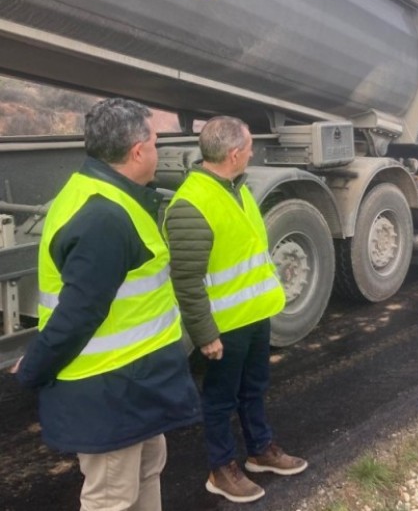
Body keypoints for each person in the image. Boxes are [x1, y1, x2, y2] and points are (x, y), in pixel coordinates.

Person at [12, 98, 201, 510]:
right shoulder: (105, 218)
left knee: (147, 472)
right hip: (110, 391)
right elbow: (79, 313)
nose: (158, 149)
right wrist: (34, 368)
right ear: (137, 151)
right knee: (111, 500)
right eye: (155, 142)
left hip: (134, 382)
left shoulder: (107, 193)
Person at [163, 116, 307, 504]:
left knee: (254, 388)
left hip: (253, 316)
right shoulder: (191, 205)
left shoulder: (234, 188)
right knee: (220, 398)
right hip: (225, 325)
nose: (252, 152)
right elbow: (187, 280)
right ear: (233, 154)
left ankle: (260, 450)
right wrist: (205, 333)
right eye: (248, 147)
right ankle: (221, 468)